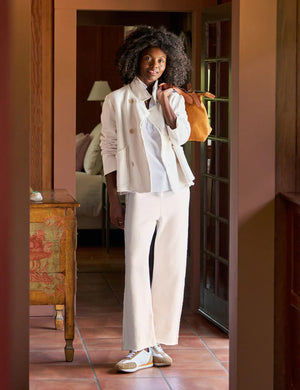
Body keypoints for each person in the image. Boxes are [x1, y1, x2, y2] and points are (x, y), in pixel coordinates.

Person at [100, 25, 194, 373]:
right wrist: (114, 197)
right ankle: (138, 346)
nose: (154, 65)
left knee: (171, 265)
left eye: (161, 60)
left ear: (168, 64)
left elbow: (182, 136)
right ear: (135, 60)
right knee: (137, 264)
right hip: (139, 191)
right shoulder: (117, 101)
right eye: (148, 59)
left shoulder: (172, 97)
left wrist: (170, 107)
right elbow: (108, 148)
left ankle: (157, 342)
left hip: (175, 190)